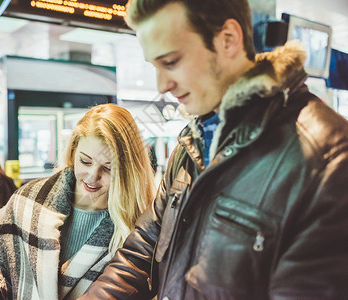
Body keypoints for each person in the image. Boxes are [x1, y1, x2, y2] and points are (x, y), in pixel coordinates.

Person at [79, 0, 348, 299]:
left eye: (171, 62)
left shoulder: (329, 160)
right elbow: (142, 249)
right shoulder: (192, 141)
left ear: (228, 40)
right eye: (154, 66)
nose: (162, 84)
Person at [0, 103, 156, 300]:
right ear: (73, 152)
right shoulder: (26, 201)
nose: (93, 176)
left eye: (109, 168)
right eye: (85, 161)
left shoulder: (141, 227)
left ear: (129, 170)